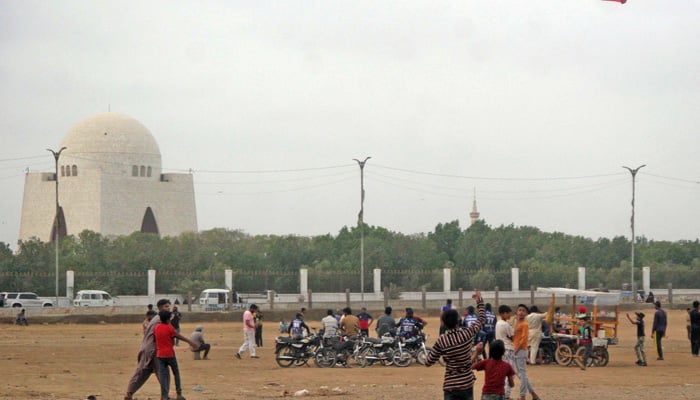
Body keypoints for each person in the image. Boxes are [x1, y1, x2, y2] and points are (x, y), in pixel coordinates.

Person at [425, 290, 485, 400]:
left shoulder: (442, 341)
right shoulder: (467, 333)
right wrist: (479, 300)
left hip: (450, 386)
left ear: (444, 324)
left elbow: (428, 362)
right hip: (466, 384)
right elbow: (481, 318)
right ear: (458, 321)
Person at [124, 298, 171, 400]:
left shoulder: (155, 319)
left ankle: (129, 393)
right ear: (160, 308)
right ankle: (165, 396)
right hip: (154, 349)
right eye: (166, 306)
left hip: (146, 348)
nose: (168, 309)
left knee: (142, 372)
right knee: (163, 372)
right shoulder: (160, 320)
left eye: (168, 306)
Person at [153, 310, 197, 400]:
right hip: (169, 354)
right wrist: (191, 342)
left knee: (163, 376)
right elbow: (178, 336)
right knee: (176, 373)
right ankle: (179, 394)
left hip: (160, 355)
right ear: (168, 319)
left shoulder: (156, 327)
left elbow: (155, 339)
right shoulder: (169, 328)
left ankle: (164, 396)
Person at [513, 304, 540, 400]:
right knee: (520, 374)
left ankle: (522, 396)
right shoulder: (516, 323)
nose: (520, 312)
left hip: (520, 350)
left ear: (526, 313)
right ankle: (533, 394)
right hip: (516, 350)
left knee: (522, 374)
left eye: (523, 310)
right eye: (519, 310)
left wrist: (516, 349)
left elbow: (524, 339)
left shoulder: (524, 324)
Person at [494, 305, 515, 400]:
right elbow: (513, 337)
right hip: (509, 349)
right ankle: (506, 395)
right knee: (510, 373)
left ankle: (502, 393)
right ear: (504, 313)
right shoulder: (506, 325)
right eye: (508, 313)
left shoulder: (498, 323)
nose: (509, 315)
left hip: (501, 349)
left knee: (502, 372)